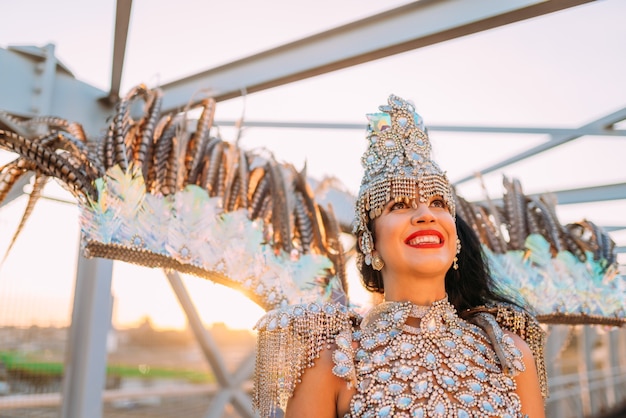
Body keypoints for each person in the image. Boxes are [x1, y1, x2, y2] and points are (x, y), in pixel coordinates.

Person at [254, 94, 546, 418]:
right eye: (399, 205)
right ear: (370, 242)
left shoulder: (508, 353)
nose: (425, 214)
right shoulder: (334, 361)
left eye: (437, 202)